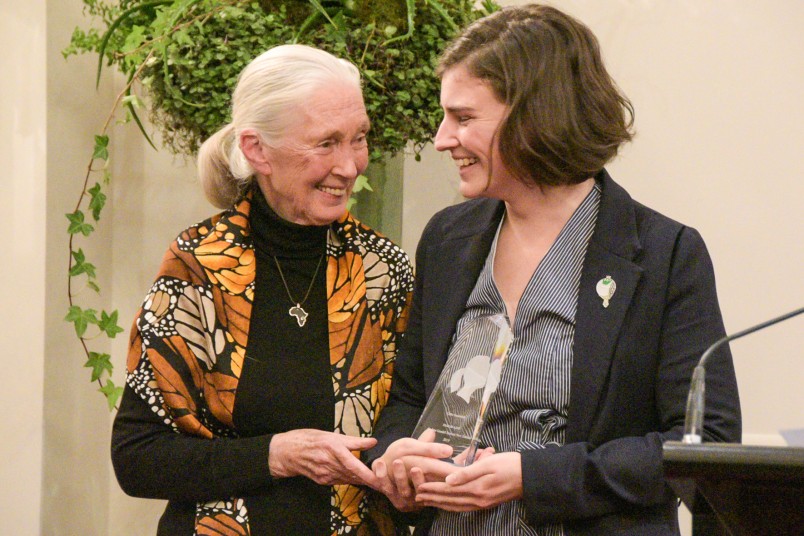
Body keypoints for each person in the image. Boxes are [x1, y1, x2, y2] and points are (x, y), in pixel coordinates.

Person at [365, 4, 741, 535]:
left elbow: (705, 444)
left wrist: (535, 476)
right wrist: (396, 458)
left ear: (535, 116)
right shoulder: (447, 239)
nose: (441, 138)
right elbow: (408, 398)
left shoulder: (664, 253)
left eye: (464, 117)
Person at [111, 44, 414, 535]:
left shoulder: (384, 271)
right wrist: (276, 455)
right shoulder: (200, 265)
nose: (351, 165)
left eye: (359, 138)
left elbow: (410, 429)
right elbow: (138, 457)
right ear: (257, 150)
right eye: (325, 143)